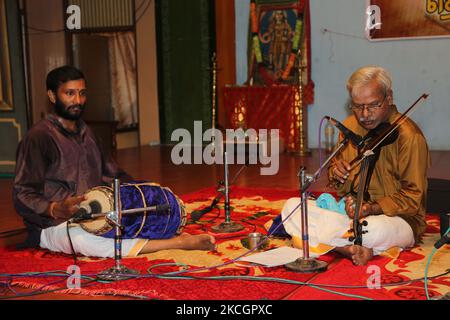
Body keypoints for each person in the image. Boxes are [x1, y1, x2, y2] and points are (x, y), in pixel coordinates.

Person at [13, 66, 216, 258]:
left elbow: (113, 175)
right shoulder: (39, 137)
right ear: (52, 95)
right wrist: (54, 208)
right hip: (54, 225)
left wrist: (146, 189)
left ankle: (159, 235)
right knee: (82, 240)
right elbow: (23, 192)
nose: (78, 100)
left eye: (82, 93)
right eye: (70, 93)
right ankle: (177, 243)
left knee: (142, 214)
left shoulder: (88, 133)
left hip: (96, 216)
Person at [279, 66, 430, 265]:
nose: (365, 114)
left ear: (389, 98)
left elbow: (413, 198)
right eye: (357, 106)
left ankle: (335, 242)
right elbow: (338, 186)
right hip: (350, 217)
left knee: (372, 230)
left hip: (394, 220)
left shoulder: (409, 137)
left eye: (373, 105)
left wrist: (371, 208)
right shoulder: (350, 127)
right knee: (292, 207)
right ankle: (347, 248)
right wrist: (337, 173)